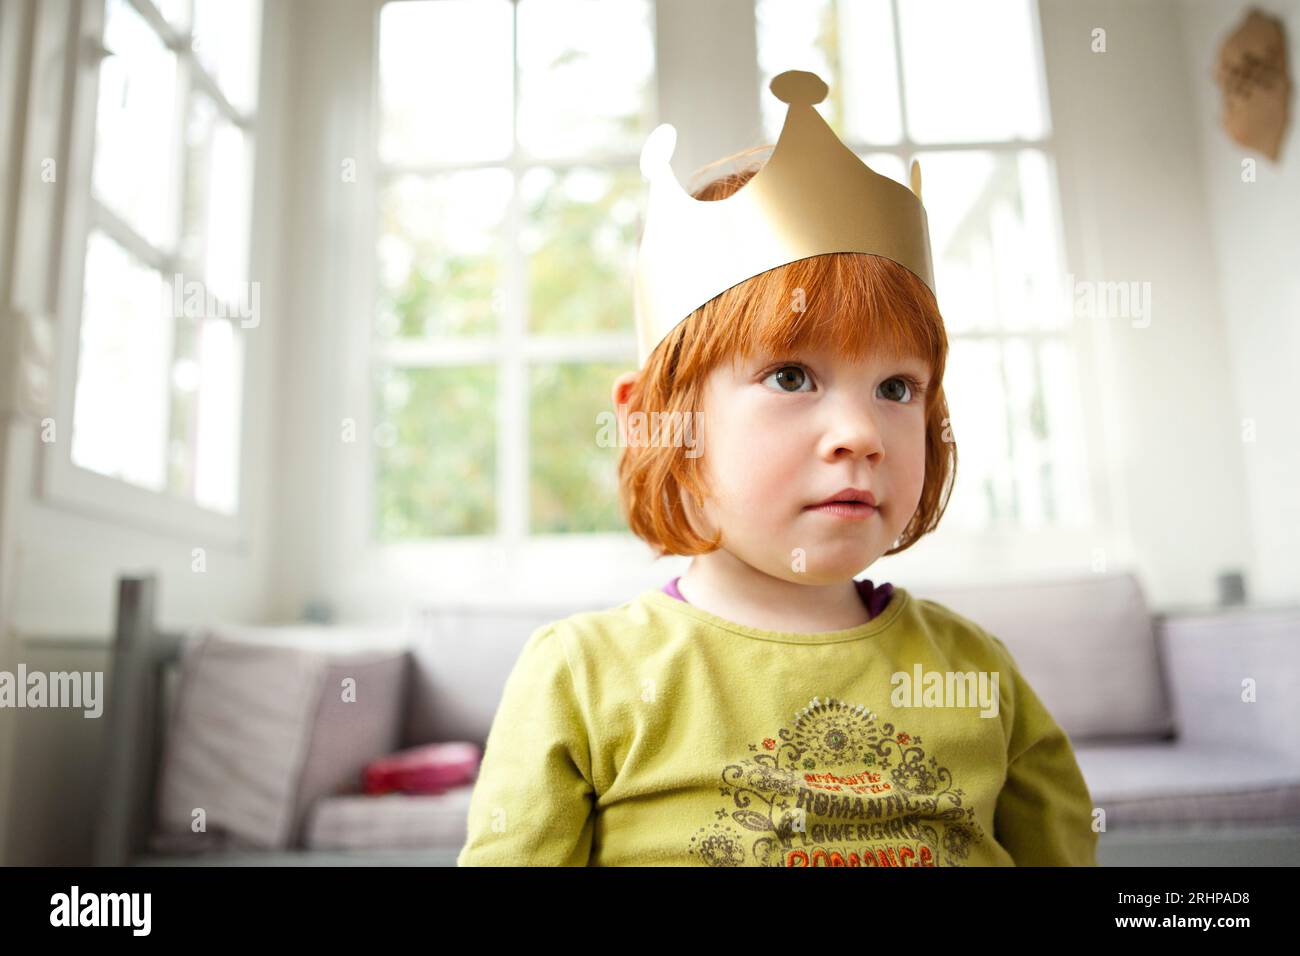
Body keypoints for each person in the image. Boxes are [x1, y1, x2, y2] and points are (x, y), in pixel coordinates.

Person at [457, 70, 1097, 867]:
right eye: (792, 377)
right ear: (667, 427)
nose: (861, 433)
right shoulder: (582, 677)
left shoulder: (976, 672)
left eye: (897, 388)